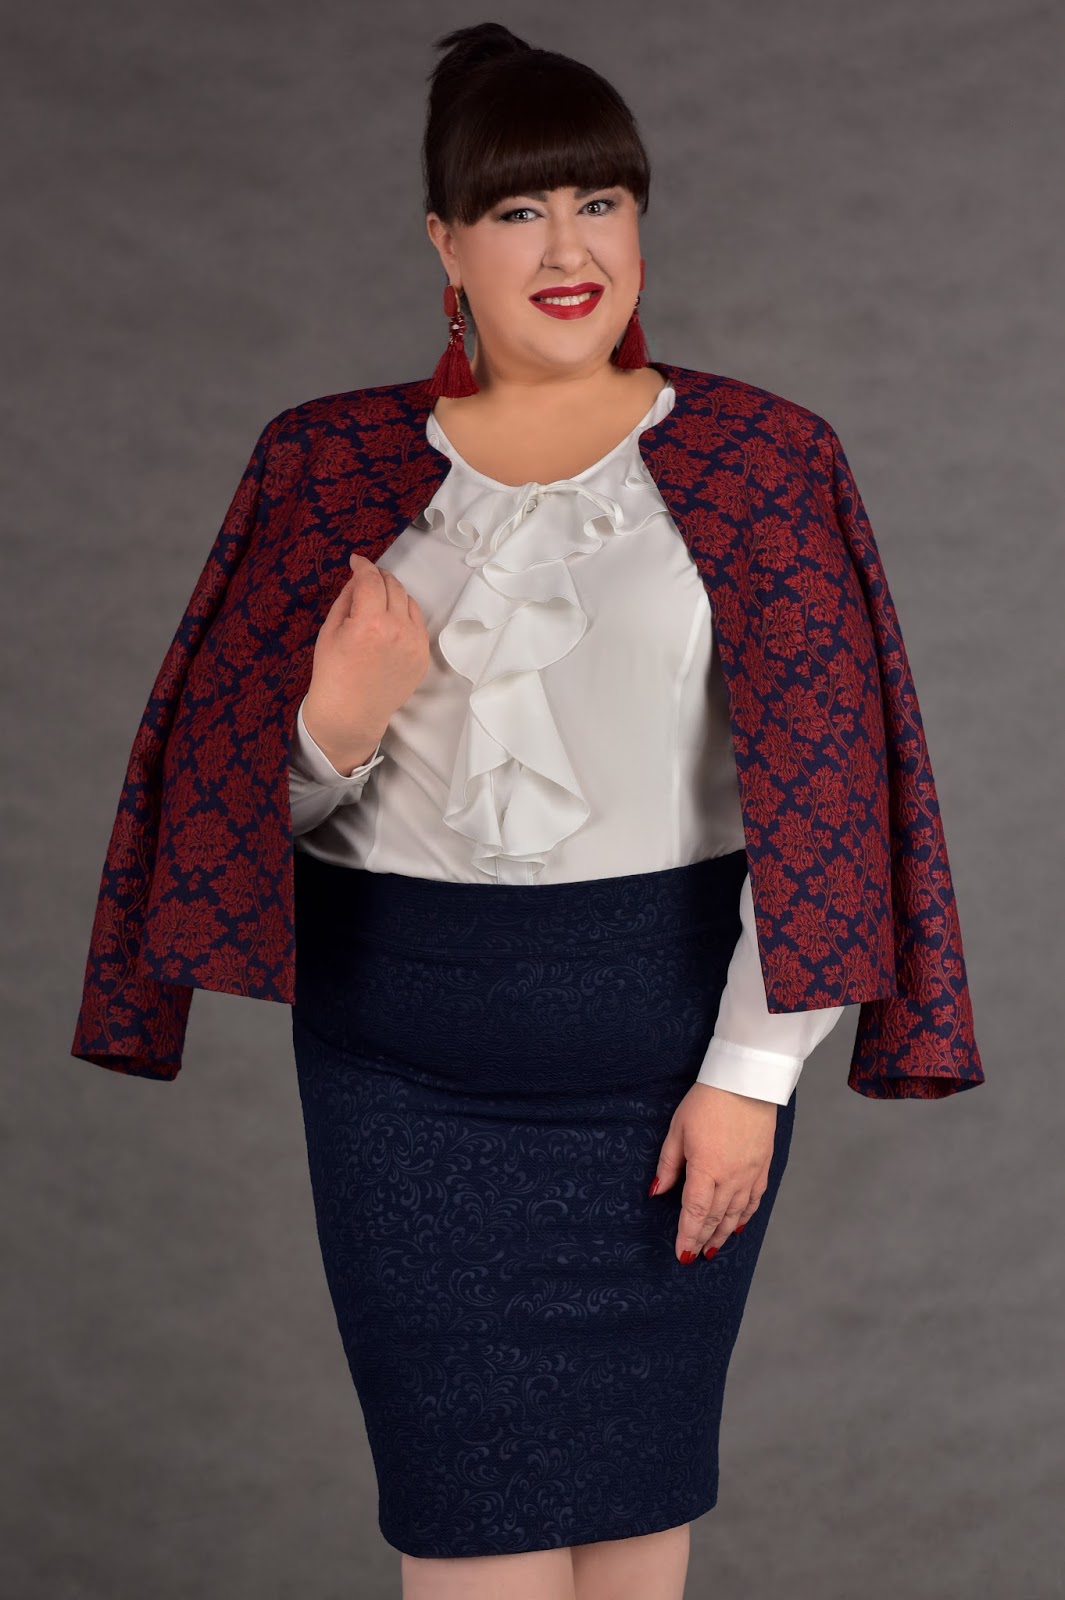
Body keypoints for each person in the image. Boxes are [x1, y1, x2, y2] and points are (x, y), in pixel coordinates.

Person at [70, 19, 983, 1600]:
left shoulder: (764, 460)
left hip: (667, 1076)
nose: (569, 250)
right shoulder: (322, 463)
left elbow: (834, 800)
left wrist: (748, 1079)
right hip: (399, 1083)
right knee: (470, 1542)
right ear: (444, 242)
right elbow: (227, 825)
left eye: (600, 201)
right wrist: (334, 725)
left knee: (636, 1546)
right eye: (517, 210)